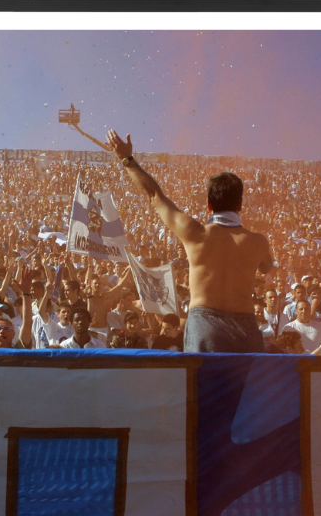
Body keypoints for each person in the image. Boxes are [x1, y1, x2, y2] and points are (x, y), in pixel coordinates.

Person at [105, 130, 272, 353]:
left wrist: (127, 159)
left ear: (209, 205)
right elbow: (267, 266)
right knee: (245, 389)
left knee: (201, 387)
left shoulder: (196, 233)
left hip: (206, 324)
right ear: (240, 204)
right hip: (245, 326)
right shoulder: (257, 242)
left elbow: (155, 196)